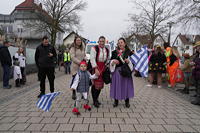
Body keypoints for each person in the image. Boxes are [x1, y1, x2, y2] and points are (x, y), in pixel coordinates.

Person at [109, 38, 134, 108]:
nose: (120, 44)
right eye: (119, 43)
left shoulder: (129, 52)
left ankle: (127, 101)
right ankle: (116, 100)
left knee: (126, 86)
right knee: (116, 86)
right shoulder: (114, 52)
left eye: (121, 42)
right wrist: (113, 62)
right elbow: (110, 62)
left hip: (126, 72)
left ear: (125, 43)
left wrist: (129, 62)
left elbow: (134, 62)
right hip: (117, 72)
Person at [90, 36, 110, 108]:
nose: (101, 42)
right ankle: (94, 100)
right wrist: (95, 68)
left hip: (103, 68)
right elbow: (92, 59)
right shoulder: (94, 48)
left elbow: (107, 59)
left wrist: (107, 64)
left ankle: (97, 99)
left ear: (105, 42)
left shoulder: (107, 50)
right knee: (95, 85)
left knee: (100, 85)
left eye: (103, 41)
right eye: (100, 41)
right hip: (96, 67)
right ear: (98, 41)